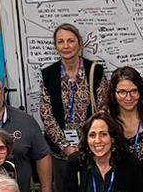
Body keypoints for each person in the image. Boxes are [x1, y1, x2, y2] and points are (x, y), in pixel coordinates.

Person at [38, 22, 106, 159]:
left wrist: (87, 142)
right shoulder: (49, 74)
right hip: (60, 152)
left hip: (93, 148)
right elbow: (46, 114)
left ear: (80, 43)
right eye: (60, 42)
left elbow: (103, 109)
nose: (66, 46)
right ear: (56, 46)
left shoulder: (95, 71)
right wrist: (65, 146)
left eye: (71, 41)